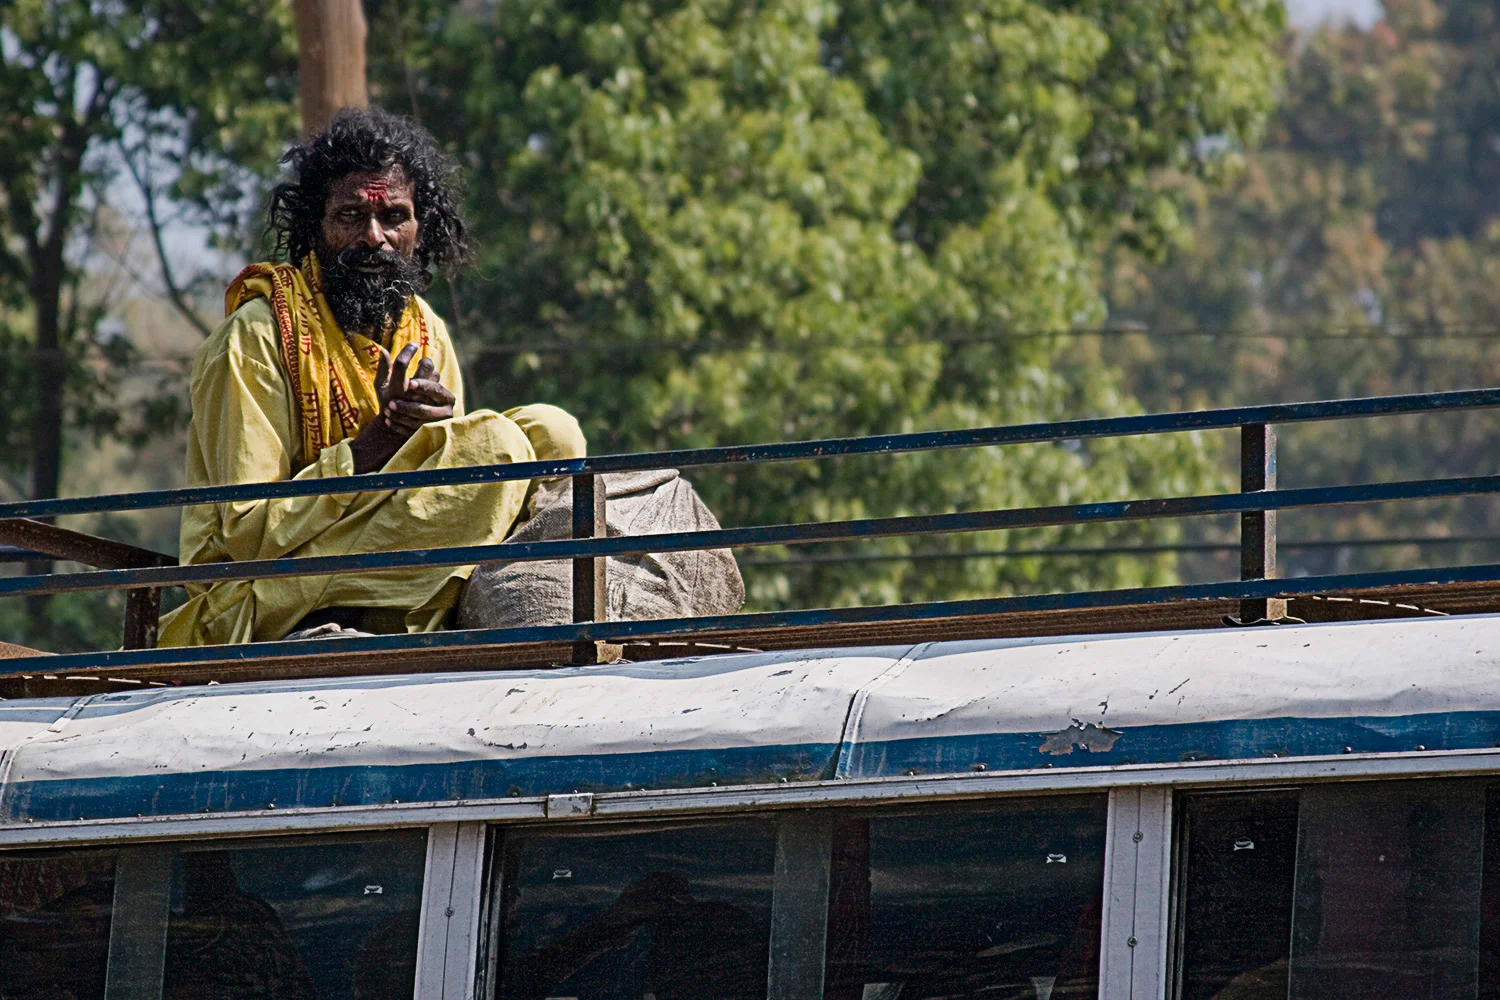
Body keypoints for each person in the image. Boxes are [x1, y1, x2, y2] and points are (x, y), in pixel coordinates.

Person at [157, 107, 585, 647]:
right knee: (497, 447)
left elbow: (442, 490)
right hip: (262, 592)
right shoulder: (256, 337)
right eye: (350, 216)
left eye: (394, 216)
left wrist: (426, 438)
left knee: (552, 433)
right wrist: (379, 441)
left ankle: (427, 607)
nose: (374, 237)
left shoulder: (425, 329)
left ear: (420, 230)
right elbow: (247, 534)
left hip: (391, 559)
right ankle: (356, 617)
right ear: (315, 227)